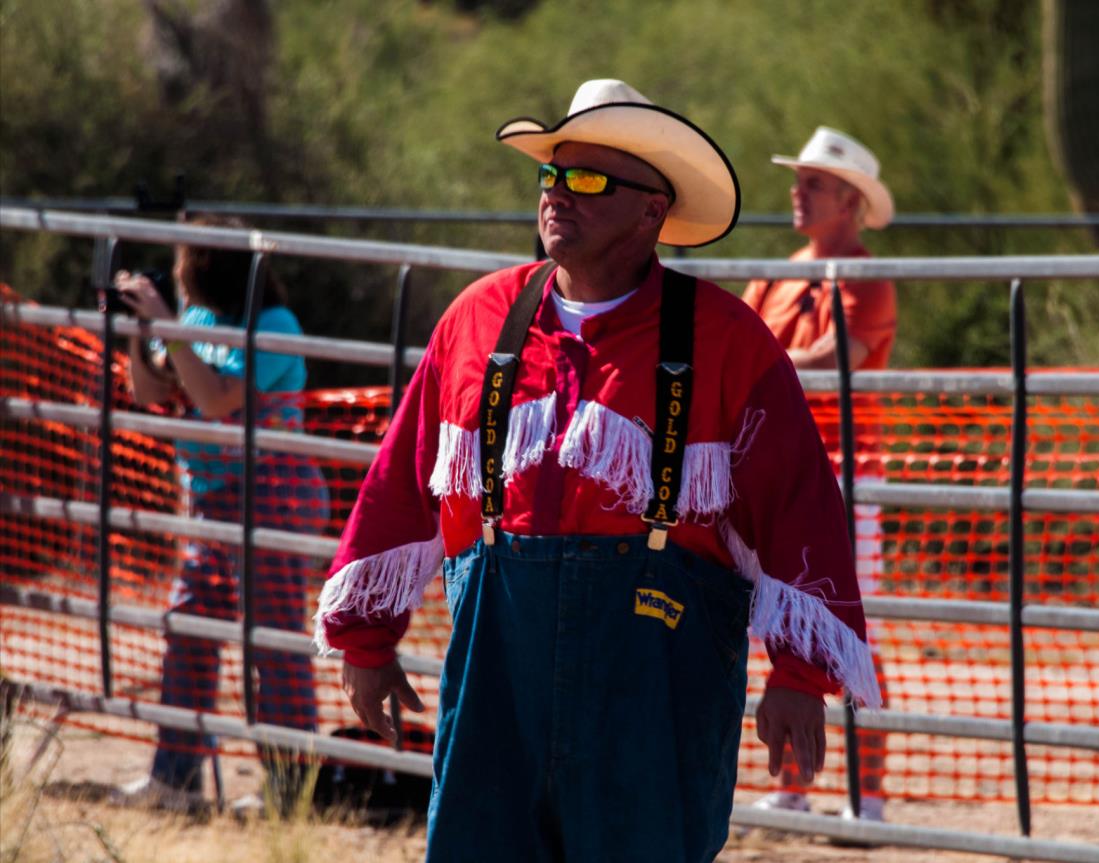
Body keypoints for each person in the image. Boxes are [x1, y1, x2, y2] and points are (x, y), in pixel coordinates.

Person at [314, 79, 880, 862]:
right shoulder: (476, 320)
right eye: (551, 174)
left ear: (652, 209)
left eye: (586, 179)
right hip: (495, 687)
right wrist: (366, 644)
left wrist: (797, 674)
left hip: (651, 690)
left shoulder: (725, 339)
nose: (556, 194)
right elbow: (401, 482)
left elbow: (799, 507)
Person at [112, 215, 329, 814]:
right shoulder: (199, 319)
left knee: (272, 645)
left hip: (273, 496)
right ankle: (175, 780)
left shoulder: (275, 324)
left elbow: (214, 400)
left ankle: (289, 793)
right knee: (188, 630)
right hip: (212, 497)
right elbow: (150, 391)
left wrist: (170, 327)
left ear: (205, 265)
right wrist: (142, 327)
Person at [742, 126, 897, 822]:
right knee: (779, 627)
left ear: (849, 202)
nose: (796, 194)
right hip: (775, 477)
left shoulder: (865, 276)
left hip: (843, 478)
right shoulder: (777, 272)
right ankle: (795, 784)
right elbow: (740, 346)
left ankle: (867, 796)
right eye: (798, 181)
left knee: (846, 632)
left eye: (812, 184)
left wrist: (763, 368)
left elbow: (842, 352)